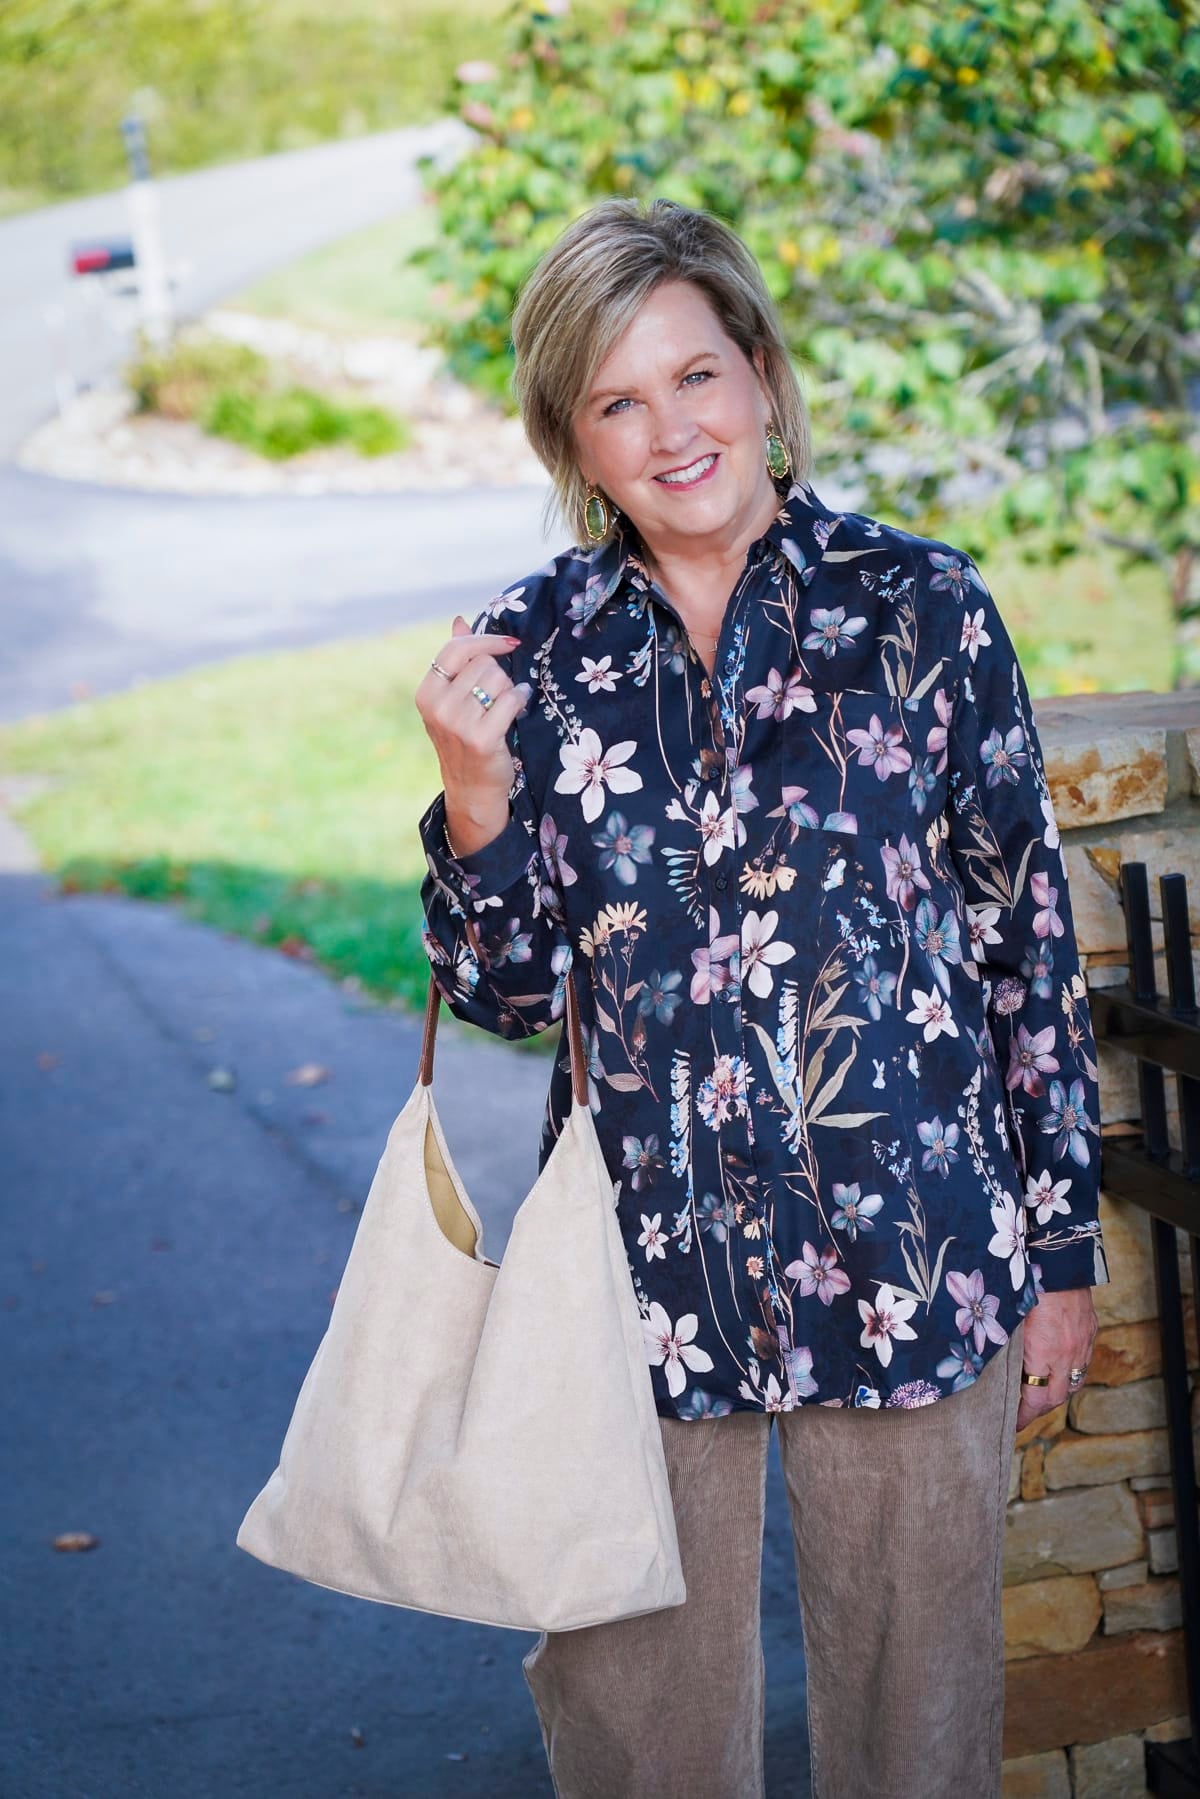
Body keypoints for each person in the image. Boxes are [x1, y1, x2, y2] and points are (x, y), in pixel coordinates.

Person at [414, 197, 1108, 1799]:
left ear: (762, 375)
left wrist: (1059, 1254)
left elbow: (1026, 950)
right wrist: (473, 802)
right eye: (616, 401)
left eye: (696, 375)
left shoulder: (923, 611)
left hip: (917, 1245)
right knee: (639, 1725)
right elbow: (509, 992)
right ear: (574, 445)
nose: (672, 431)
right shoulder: (535, 653)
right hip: (642, 1274)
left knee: (912, 1726)